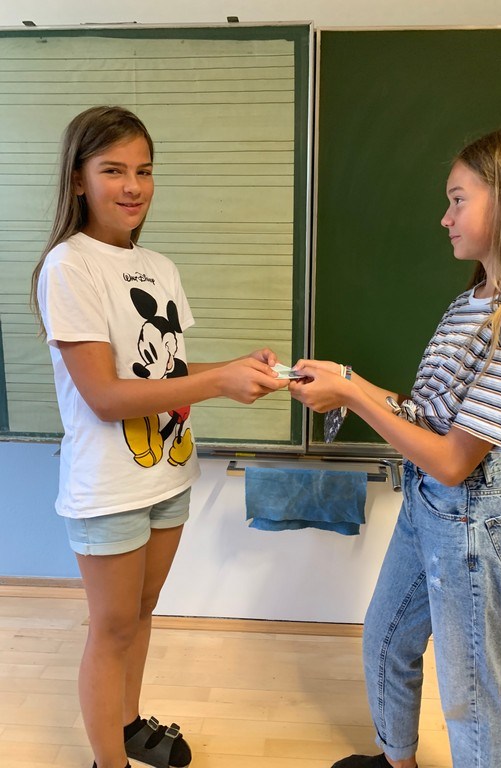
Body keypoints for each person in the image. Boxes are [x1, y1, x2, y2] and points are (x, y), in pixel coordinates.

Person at [289, 128, 501, 768]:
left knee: (472, 696)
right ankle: (398, 762)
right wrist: (348, 382)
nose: (445, 217)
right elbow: (426, 417)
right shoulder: (469, 303)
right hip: (429, 506)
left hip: (470, 520)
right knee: (386, 640)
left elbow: (452, 460)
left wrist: (352, 393)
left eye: (458, 200)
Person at [31, 105, 287, 768]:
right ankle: (107, 761)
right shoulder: (69, 266)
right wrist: (218, 383)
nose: (133, 186)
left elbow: (164, 372)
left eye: (144, 171)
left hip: (169, 474)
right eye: (113, 170)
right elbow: (105, 396)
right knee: (111, 629)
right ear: (78, 179)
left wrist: (234, 368)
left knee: (140, 616)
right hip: (109, 487)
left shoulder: (158, 267)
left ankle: (127, 726)